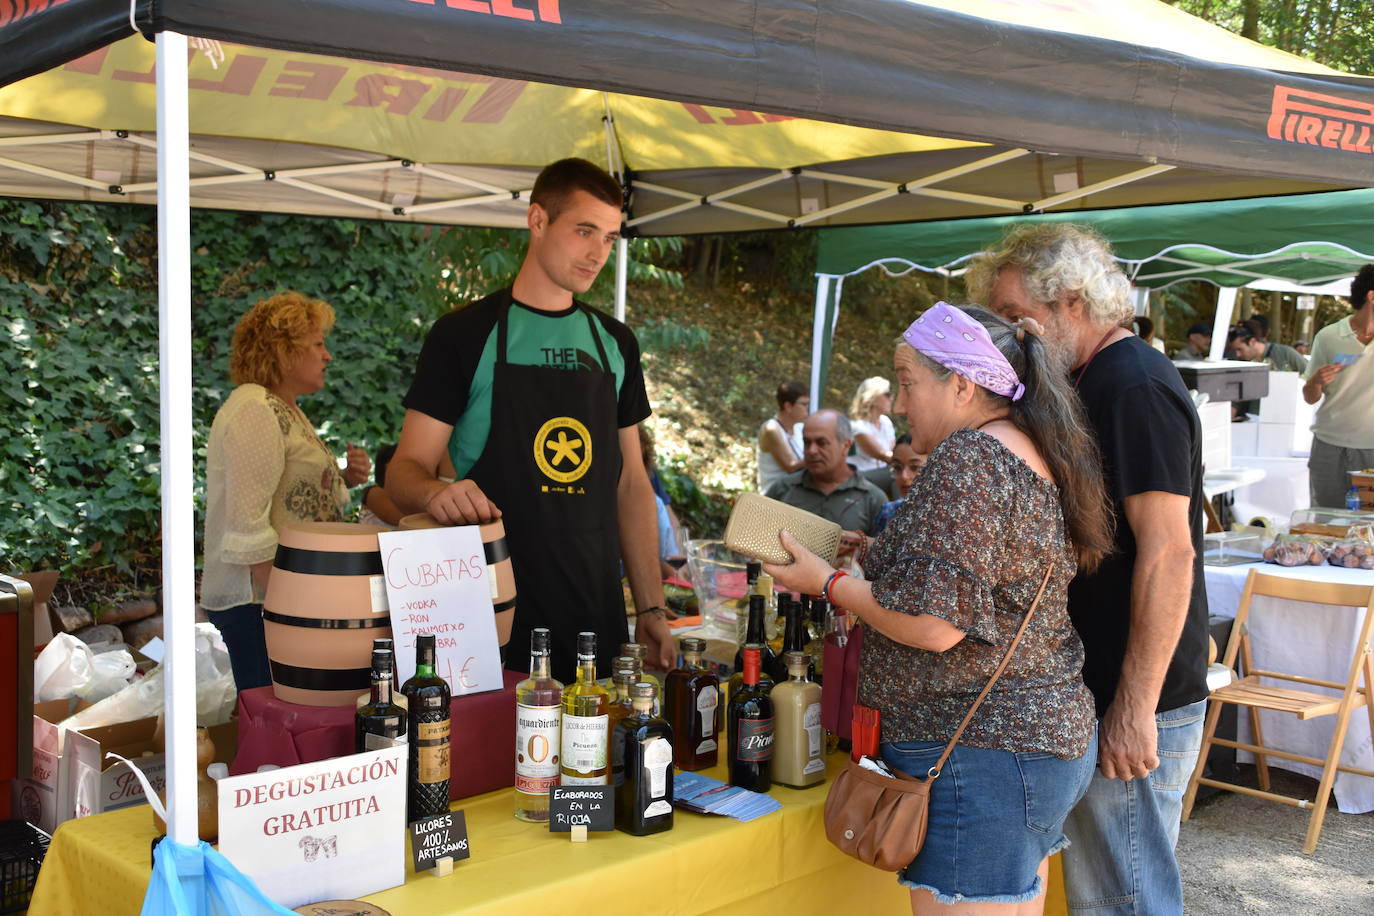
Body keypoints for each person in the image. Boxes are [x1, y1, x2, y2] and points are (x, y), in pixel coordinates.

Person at [765, 303, 1113, 914]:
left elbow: (935, 625)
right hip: (1022, 744)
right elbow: (989, 577)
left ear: (962, 384)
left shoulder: (968, 458)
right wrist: (877, 551)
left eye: (907, 382)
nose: (899, 404)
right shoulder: (1023, 448)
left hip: (979, 754)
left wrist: (828, 583)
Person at [970, 223, 1210, 915]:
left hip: (1132, 697)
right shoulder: (1086, 380)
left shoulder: (1133, 386)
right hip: (1095, 692)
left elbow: (1170, 552)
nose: (1012, 335)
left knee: (1125, 902)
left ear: (1071, 301)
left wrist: (1134, 708)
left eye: (1018, 315)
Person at [386, 158, 671, 681]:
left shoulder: (615, 343)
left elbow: (632, 484)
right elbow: (403, 471)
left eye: (609, 238)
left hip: (596, 620)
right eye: (584, 231)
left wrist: (651, 608)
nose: (598, 253)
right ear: (537, 220)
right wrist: (433, 494)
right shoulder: (464, 335)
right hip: (490, 620)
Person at [201, 292, 371, 691]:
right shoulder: (256, 408)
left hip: (279, 601)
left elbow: (288, 493)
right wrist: (289, 605)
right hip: (261, 605)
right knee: (275, 711)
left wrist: (344, 477)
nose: (327, 356)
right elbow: (247, 525)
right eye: (317, 344)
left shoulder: (282, 407)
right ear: (284, 350)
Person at [1302, 264, 1374, 508]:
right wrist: (1316, 381)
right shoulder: (1328, 336)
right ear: (1372, 296)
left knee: (1369, 523)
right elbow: (1309, 397)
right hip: (1329, 446)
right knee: (1326, 519)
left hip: (1372, 447)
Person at [764, 408, 887, 536]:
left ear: (846, 446)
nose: (812, 451)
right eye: (807, 442)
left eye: (821, 443)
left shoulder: (872, 499)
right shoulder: (784, 489)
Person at [1227, 323, 1308, 420]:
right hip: (1254, 418)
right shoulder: (1242, 364)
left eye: (1240, 349)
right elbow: (1235, 398)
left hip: (1287, 416)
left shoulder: (1285, 353)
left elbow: (1310, 373)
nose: (1238, 354)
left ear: (1252, 341)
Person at [868, 434, 926, 536]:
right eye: (897, 467)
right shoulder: (888, 512)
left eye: (915, 467)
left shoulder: (946, 516)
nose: (904, 476)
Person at [757, 380, 809, 491]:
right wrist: (819, 458)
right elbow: (791, 466)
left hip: (794, 492)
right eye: (804, 404)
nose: (807, 408)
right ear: (788, 406)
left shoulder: (799, 427)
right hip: (774, 496)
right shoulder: (772, 429)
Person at [849, 376, 897, 471]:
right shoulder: (858, 426)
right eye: (887, 394)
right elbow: (883, 455)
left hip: (882, 473)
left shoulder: (886, 421)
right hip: (862, 475)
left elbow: (895, 452)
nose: (891, 398)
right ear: (873, 398)